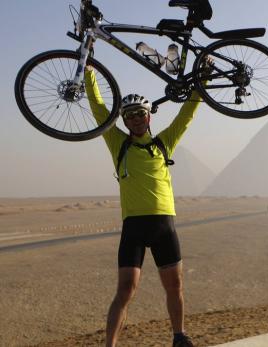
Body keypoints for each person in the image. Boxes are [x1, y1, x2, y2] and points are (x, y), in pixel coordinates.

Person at [85, 63, 208, 347]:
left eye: (140, 113)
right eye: (129, 116)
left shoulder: (164, 143)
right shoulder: (118, 144)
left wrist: (200, 81)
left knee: (175, 286)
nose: (136, 119)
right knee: (126, 290)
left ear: (148, 116)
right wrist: (90, 74)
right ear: (125, 122)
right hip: (134, 228)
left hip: (164, 225)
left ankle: (179, 336)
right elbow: (99, 111)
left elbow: (186, 116)